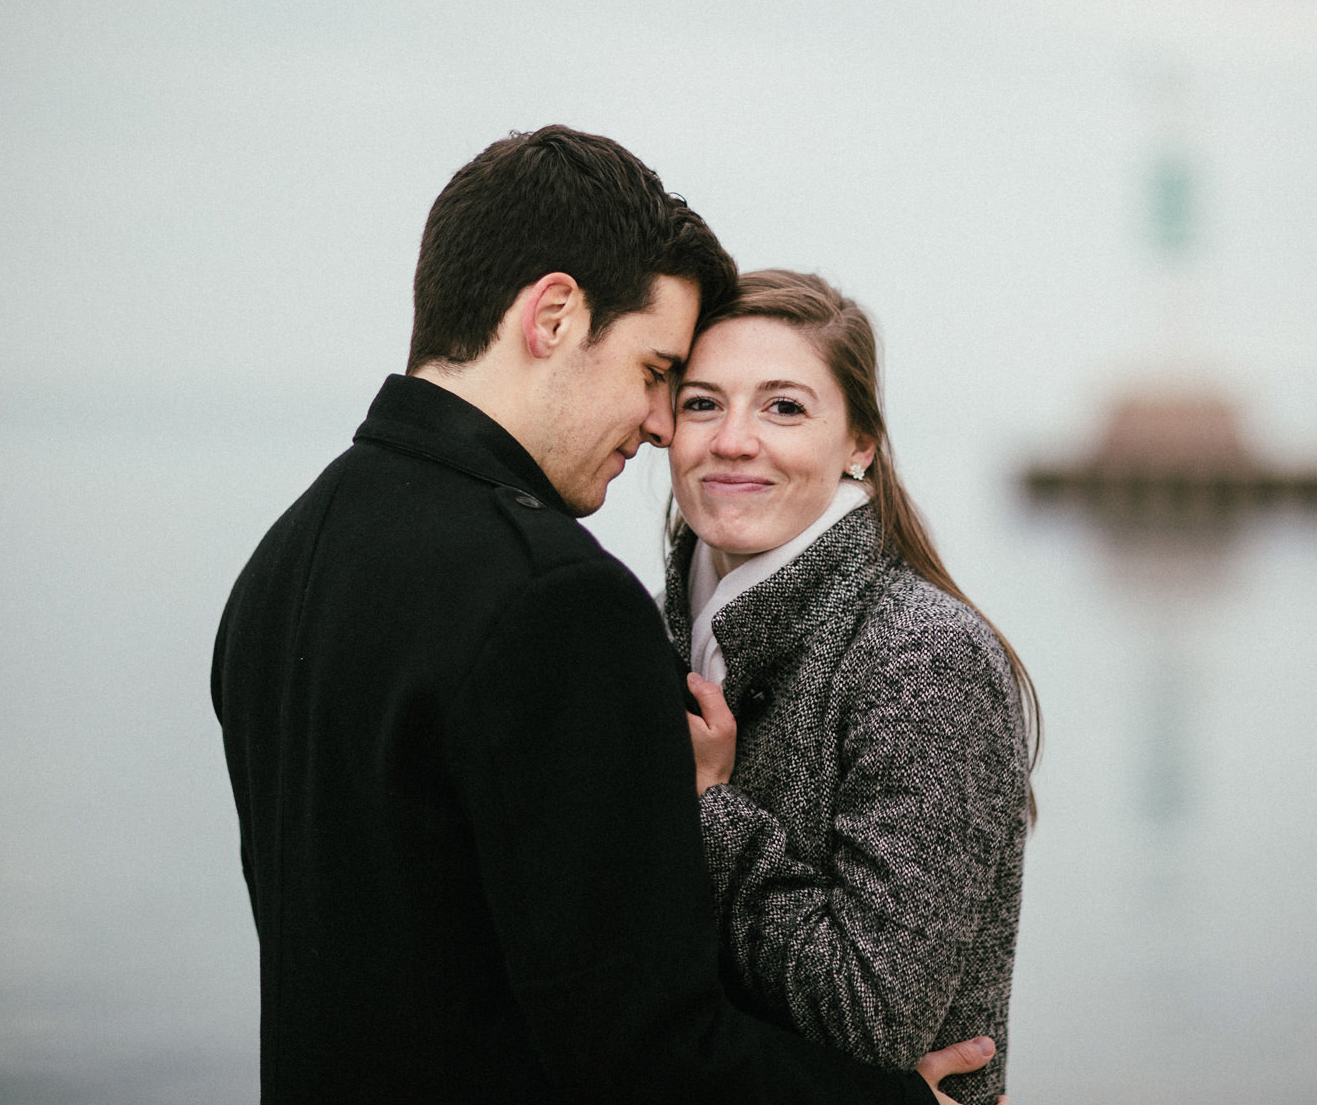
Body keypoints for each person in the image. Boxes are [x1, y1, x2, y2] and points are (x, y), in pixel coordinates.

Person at [209, 127, 997, 1103]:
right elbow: (643, 1051)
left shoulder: (286, 560)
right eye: (663, 375)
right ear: (552, 316)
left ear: (861, 443)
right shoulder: (552, 598)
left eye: (780, 407)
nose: (668, 425)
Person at [662, 270, 1038, 1105]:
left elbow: (875, 1014)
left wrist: (709, 809)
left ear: (860, 442)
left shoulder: (923, 656)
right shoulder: (665, 630)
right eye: (702, 403)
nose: (732, 440)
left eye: (784, 407)